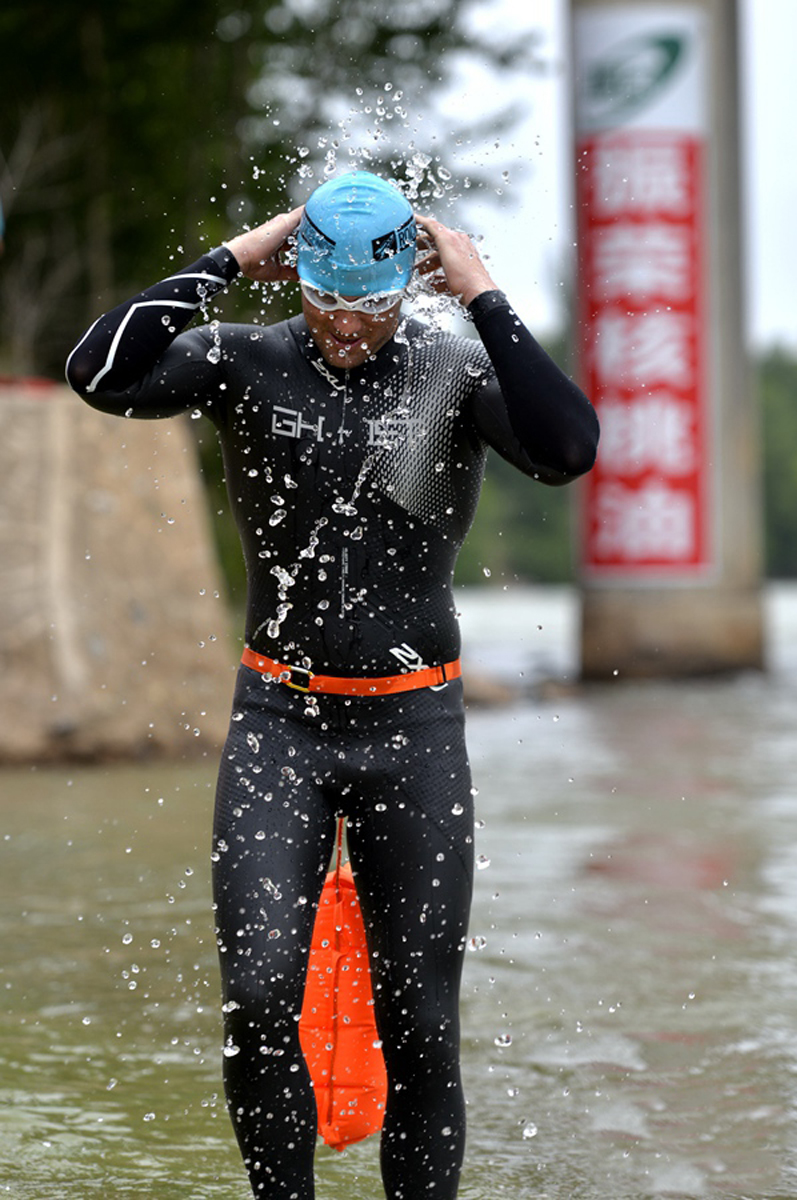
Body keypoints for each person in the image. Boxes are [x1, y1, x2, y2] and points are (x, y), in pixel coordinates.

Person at [66, 169, 599, 1199]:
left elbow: (568, 448)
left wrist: (482, 293)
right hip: (280, 723)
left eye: (368, 306)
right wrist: (230, 260)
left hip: (415, 728)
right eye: (324, 300)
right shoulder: (244, 357)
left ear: (407, 288)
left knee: (419, 1024)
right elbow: (99, 372)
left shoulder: (451, 369)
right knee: (261, 995)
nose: (345, 327)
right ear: (296, 277)